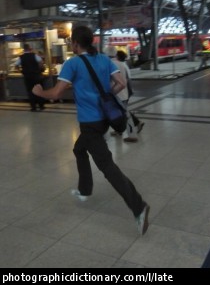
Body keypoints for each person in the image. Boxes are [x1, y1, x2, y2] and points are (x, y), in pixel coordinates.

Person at [32, 25, 150, 235]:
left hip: (90, 123)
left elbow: (56, 93)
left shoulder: (73, 63)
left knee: (107, 166)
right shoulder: (104, 59)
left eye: (71, 42)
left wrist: (40, 92)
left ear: (76, 43)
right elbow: (121, 84)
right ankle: (85, 189)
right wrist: (104, 97)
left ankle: (138, 206)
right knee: (79, 150)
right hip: (105, 118)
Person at [109, 49, 145, 142]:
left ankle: (133, 134)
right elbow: (129, 79)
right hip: (124, 92)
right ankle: (119, 130)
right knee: (121, 112)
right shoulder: (123, 64)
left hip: (116, 93)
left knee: (124, 114)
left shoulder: (111, 64)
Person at [15, 44, 46, 112]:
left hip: (27, 77)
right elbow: (41, 63)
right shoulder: (34, 55)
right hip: (36, 76)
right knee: (39, 90)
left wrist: (22, 71)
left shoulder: (21, 57)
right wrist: (41, 70)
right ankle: (41, 106)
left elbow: (16, 65)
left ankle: (33, 107)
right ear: (30, 48)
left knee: (30, 91)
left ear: (24, 49)